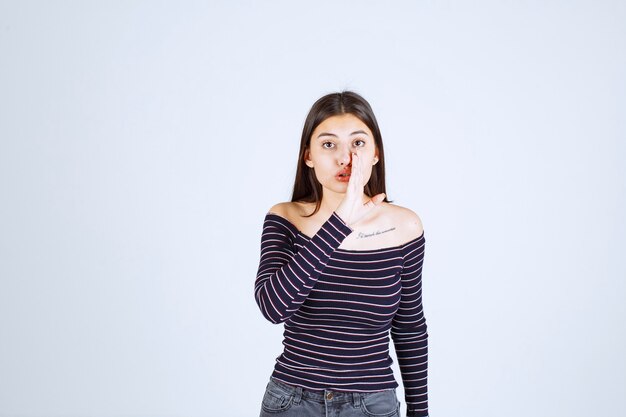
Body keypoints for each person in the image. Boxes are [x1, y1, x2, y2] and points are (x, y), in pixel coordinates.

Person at [254, 91, 428, 417]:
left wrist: (421, 413)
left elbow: (409, 327)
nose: (344, 158)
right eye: (329, 144)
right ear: (308, 155)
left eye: (358, 144)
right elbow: (273, 307)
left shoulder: (405, 226)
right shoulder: (285, 218)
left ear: (375, 153)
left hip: (372, 404)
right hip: (292, 403)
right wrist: (341, 221)